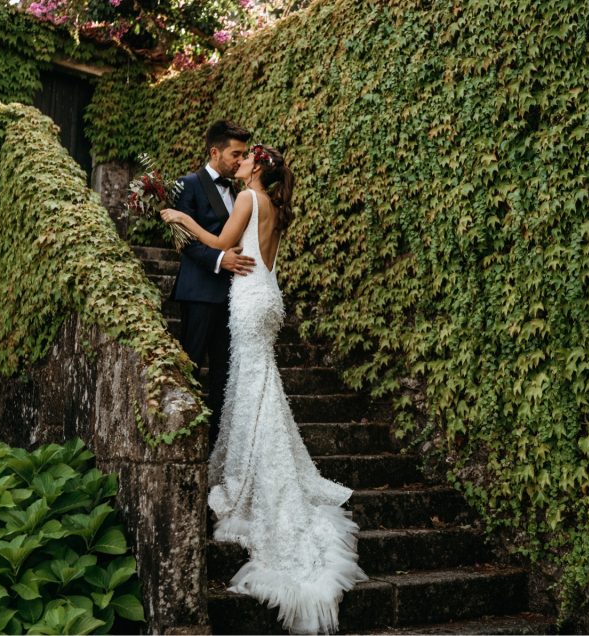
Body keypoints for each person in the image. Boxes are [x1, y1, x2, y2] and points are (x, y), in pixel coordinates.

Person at [162, 144, 367, 634]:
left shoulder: (251, 200)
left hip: (250, 302)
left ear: (257, 168)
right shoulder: (274, 205)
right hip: (267, 297)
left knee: (253, 381)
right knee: (258, 383)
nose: (241, 164)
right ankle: (254, 454)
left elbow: (217, 240)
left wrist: (179, 218)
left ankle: (258, 473)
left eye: (247, 160)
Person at [170, 120, 256, 448]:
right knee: (191, 365)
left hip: (234, 297)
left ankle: (216, 446)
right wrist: (222, 261)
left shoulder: (240, 191)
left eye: (244, 154)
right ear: (215, 151)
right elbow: (185, 241)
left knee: (223, 375)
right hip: (199, 293)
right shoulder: (188, 184)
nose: (240, 160)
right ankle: (186, 441)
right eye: (236, 154)